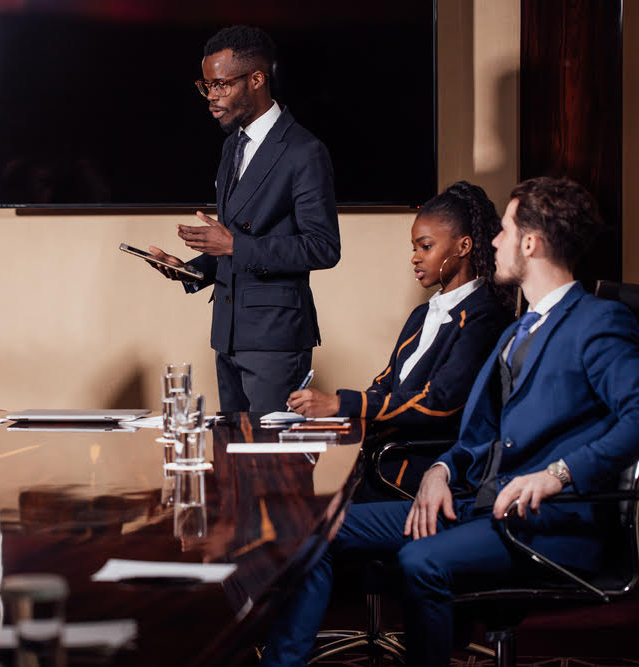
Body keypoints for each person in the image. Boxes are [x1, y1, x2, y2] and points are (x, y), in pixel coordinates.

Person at [260, 177, 639, 666]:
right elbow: (478, 434)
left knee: (420, 560)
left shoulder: (597, 321)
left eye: (503, 230)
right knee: (317, 528)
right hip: (479, 504)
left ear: (531, 242)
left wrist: (558, 474)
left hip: (549, 524)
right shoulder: (521, 328)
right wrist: (441, 471)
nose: (495, 241)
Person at [147, 25, 340, 412]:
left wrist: (235, 244)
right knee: (234, 458)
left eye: (220, 85)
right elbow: (232, 245)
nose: (211, 98)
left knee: (271, 464)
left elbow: (323, 247)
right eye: (206, 87)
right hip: (228, 334)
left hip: (276, 339)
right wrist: (190, 269)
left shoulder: (304, 151)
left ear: (256, 79)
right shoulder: (231, 146)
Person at [288, 181, 513, 494]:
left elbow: (439, 404)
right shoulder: (422, 315)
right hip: (380, 461)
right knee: (291, 487)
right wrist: (336, 417)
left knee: (311, 512)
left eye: (426, 247)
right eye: (414, 248)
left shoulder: (484, 317)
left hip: (418, 469)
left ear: (463, 246)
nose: (415, 258)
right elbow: (385, 383)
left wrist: (341, 402)